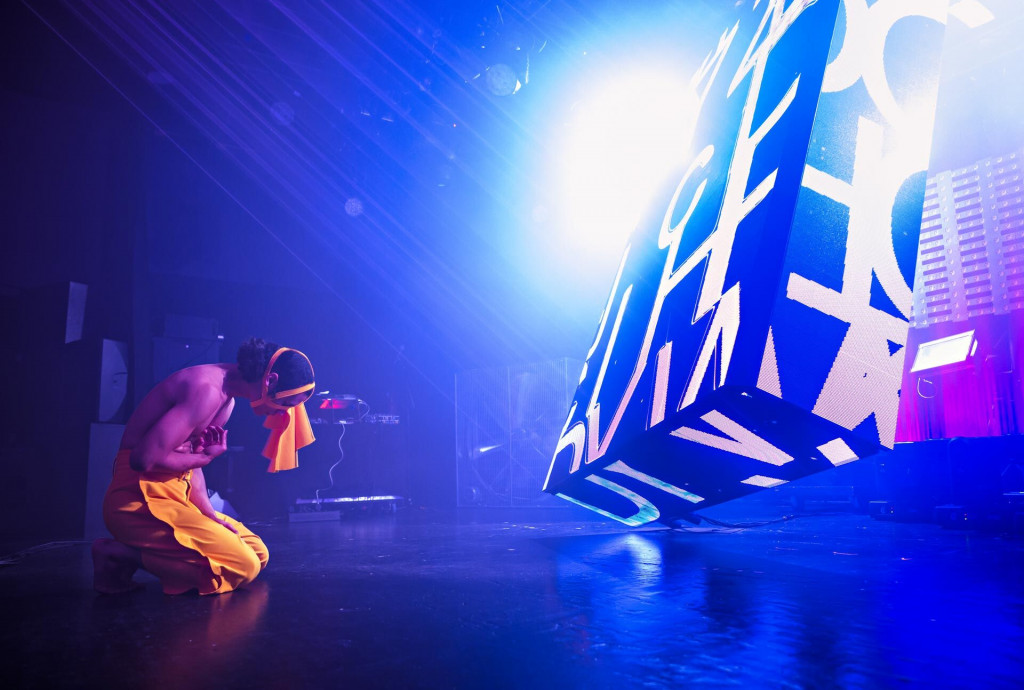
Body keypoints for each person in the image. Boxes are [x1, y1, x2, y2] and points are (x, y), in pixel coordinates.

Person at [92, 338, 315, 595]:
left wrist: (208, 514)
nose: (282, 414)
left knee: (257, 553)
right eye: (286, 404)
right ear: (271, 380)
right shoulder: (206, 390)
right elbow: (143, 459)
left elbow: (190, 466)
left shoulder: (227, 401)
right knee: (244, 565)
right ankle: (120, 555)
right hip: (137, 501)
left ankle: (135, 554)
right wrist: (205, 459)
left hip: (176, 496)